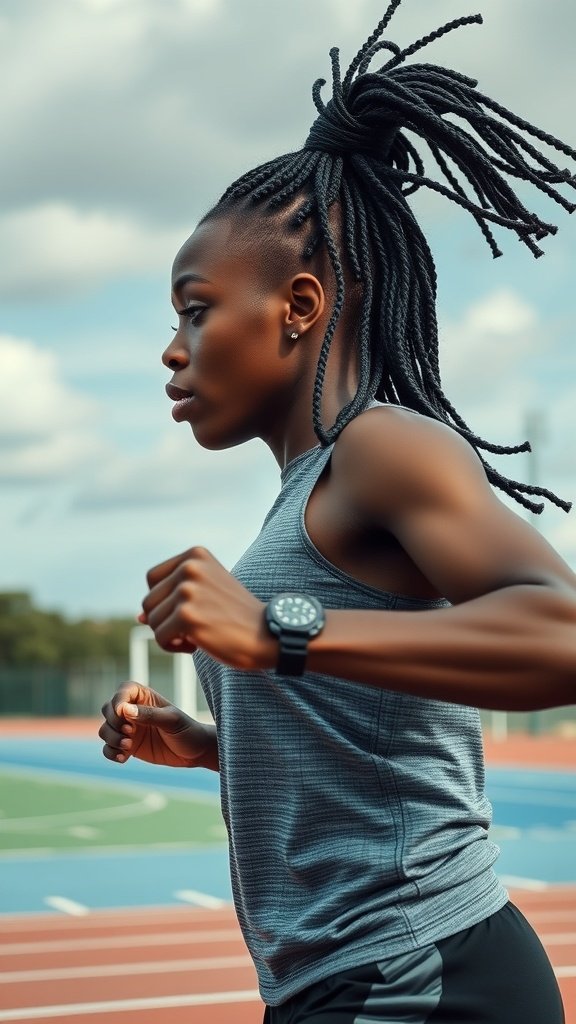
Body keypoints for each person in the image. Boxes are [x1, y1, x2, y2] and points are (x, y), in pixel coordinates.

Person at [100, 4, 576, 1021]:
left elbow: (564, 629)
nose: (173, 350)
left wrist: (276, 632)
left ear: (300, 308)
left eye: (195, 308)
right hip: (344, 984)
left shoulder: (384, 445)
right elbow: (374, 736)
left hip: (426, 977)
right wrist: (213, 738)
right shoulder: (303, 494)